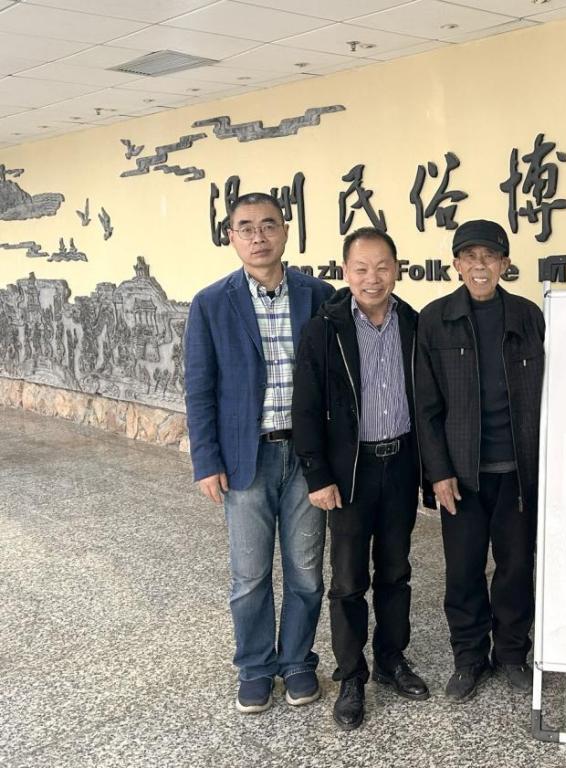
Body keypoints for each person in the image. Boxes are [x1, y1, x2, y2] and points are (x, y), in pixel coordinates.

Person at [185, 192, 334, 713]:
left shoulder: (318, 295)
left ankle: (296, 662)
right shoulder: (210, 303)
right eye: (245, 227)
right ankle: (253, 667)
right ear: (231, 237)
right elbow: (199, 388)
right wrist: (206, 460)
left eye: (268, 225)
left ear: (286, 230)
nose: (258, 236)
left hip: (307, 458)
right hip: (245, 458)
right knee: (249, 576)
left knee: (306, 572)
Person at [292, 227, 431, 730]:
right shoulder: (324, 329)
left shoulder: (413, 322)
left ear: (397, 269)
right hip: (350, 472)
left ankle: (392, 659)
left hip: (400, 464)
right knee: (349, 581)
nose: (373, 278)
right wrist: (318, 475)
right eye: (361, 268)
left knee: (395, 571)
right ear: (346, 272)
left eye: (382, 267)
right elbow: (306, 408)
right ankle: (352, 675)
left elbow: (427, 401)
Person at [414, 219, 545, 702]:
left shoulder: (529, 316)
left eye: (490, 256)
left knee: (516, 568)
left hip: (518, 473)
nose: (480, 265)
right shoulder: (436, 319)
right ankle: (468, 658)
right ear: (456, 265)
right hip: (462, 476)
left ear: (505, 263)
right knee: (463, 570)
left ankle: (511, 654)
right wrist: (439, 473)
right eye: (469, 257)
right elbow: (426, 407)